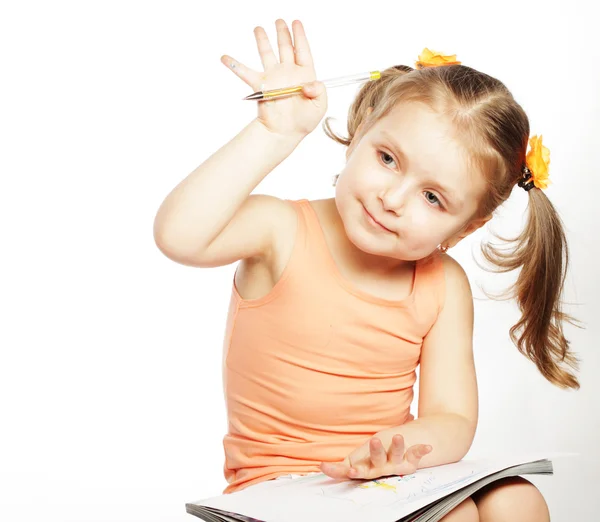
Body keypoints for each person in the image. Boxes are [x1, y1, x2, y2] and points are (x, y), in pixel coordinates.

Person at [154, 19, 582, 522]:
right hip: (273, 487)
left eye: (432, 197)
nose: (392, 198)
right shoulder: (281, 230)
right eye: (387, 158)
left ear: (466, 228)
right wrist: (274, 133)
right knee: (458, 517)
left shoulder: (443, 283)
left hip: (384, 479)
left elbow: (453, 417)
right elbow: (179, 235)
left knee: (518, 500)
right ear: (359, 133)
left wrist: (401, 448)